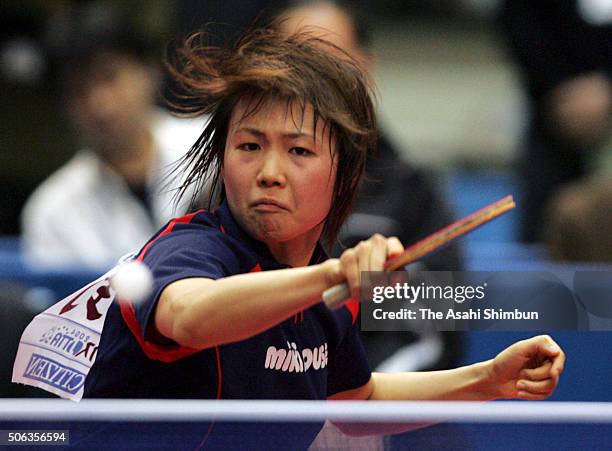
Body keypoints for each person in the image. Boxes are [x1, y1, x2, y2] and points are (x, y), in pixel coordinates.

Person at [82, 26, 564, 449]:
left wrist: (490, 380)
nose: (270, 172)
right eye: (249, 146)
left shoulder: (324, 294)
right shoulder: (189, 249)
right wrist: (332, 275)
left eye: (298, 150)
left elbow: (358, 403)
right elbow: (189, 316)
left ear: (345, 174)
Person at [276, 0, 464, 376]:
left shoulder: (413, 191)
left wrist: (364, 406)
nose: (313, 80)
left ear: (366, 67)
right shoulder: (229, 190)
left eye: (330, 61)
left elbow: (438, 321)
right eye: (295, 63)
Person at [20, 3, 204, 270]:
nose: (100, 104)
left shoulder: (215, 148)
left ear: (149, 70)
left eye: (110, 77)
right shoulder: (50, 212)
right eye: (79, 90)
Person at [498, 0, 612, 243]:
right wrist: (563, 93)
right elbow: (520, 21)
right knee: (546, 245)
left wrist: (608, 89)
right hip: (555, 115)